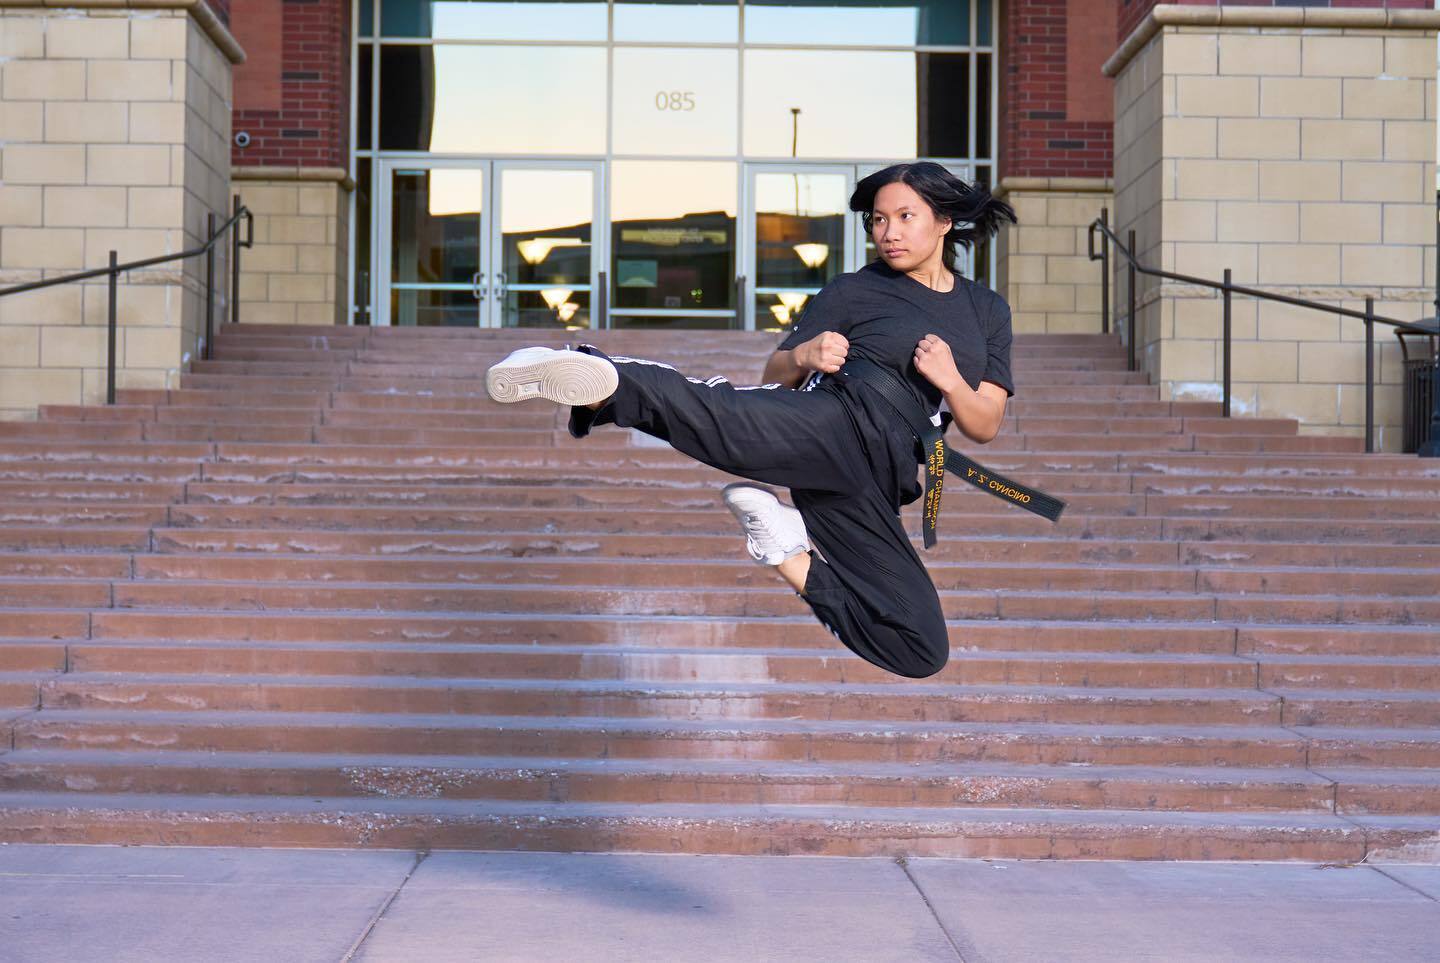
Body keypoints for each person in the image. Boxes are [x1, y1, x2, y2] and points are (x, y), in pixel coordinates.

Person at [485, 162, 1018, 679]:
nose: (888, 232)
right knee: (716, 414)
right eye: (878, 220)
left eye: (905, 217)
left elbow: (986, 421)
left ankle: (787, 550)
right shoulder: (855, 290)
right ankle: (598, 376)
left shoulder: (985, 310)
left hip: (883, 477)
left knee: (920, 646)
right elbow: (777, 372)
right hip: (833, 422)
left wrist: (949, 379)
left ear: (945, 220)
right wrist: (806, 355)